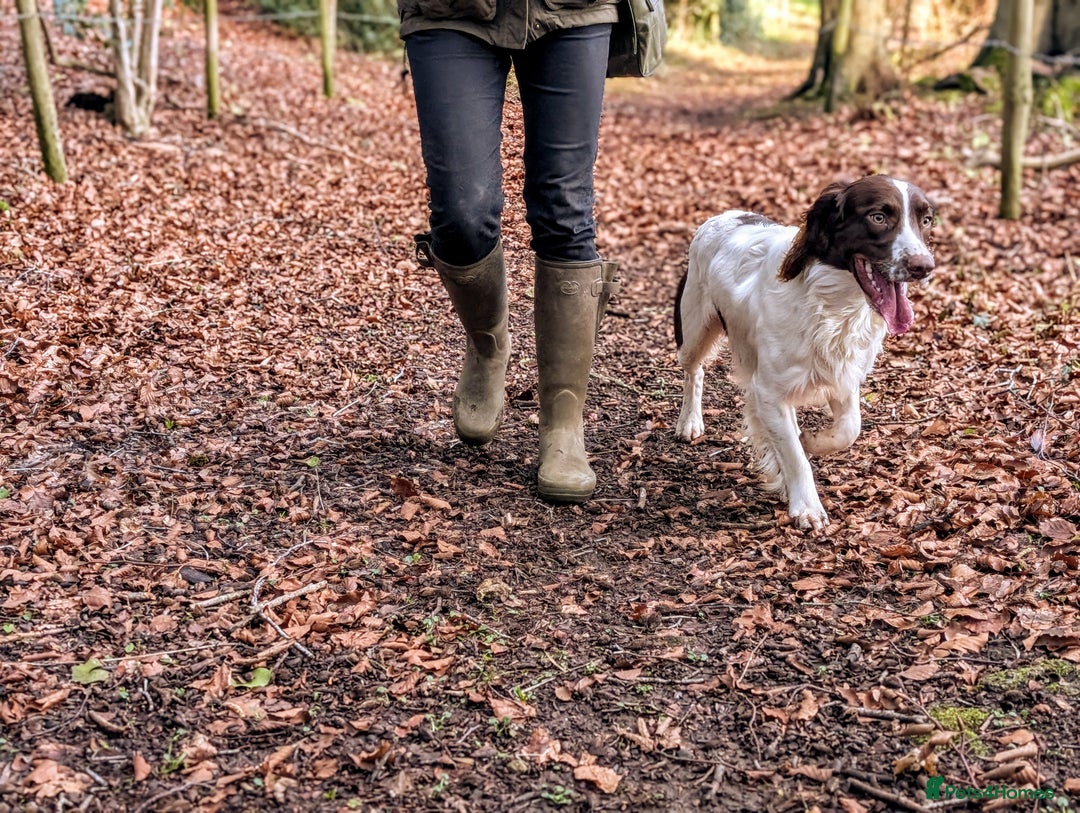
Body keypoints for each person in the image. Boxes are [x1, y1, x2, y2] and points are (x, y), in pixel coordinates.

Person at [399, 0, 621, 504]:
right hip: (449, 11)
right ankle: (486, 344)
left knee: (565, 209)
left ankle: (564, 426)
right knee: (460, 215)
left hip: (573, 10)